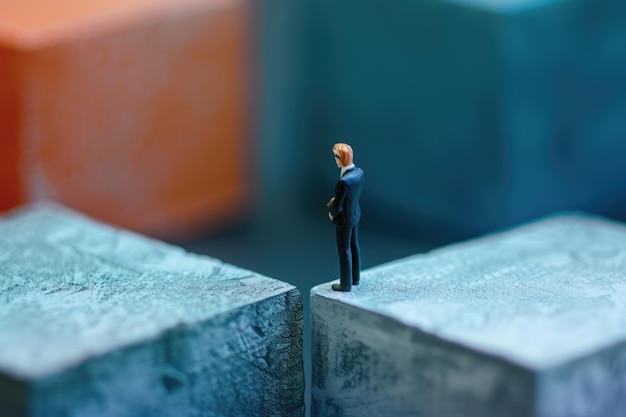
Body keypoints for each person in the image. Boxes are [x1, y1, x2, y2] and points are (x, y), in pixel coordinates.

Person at [327, 143, 364, 292]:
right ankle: (355, 278)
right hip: (355, 214)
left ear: (341, 158)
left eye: (336, 156)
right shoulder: (359, 173)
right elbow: (350, 197)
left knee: (344, 250)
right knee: (354, 246)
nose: (335, 159)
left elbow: (338, 207)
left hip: (344, 219)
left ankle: (346, 283)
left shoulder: (343, 182)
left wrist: (332, 214)